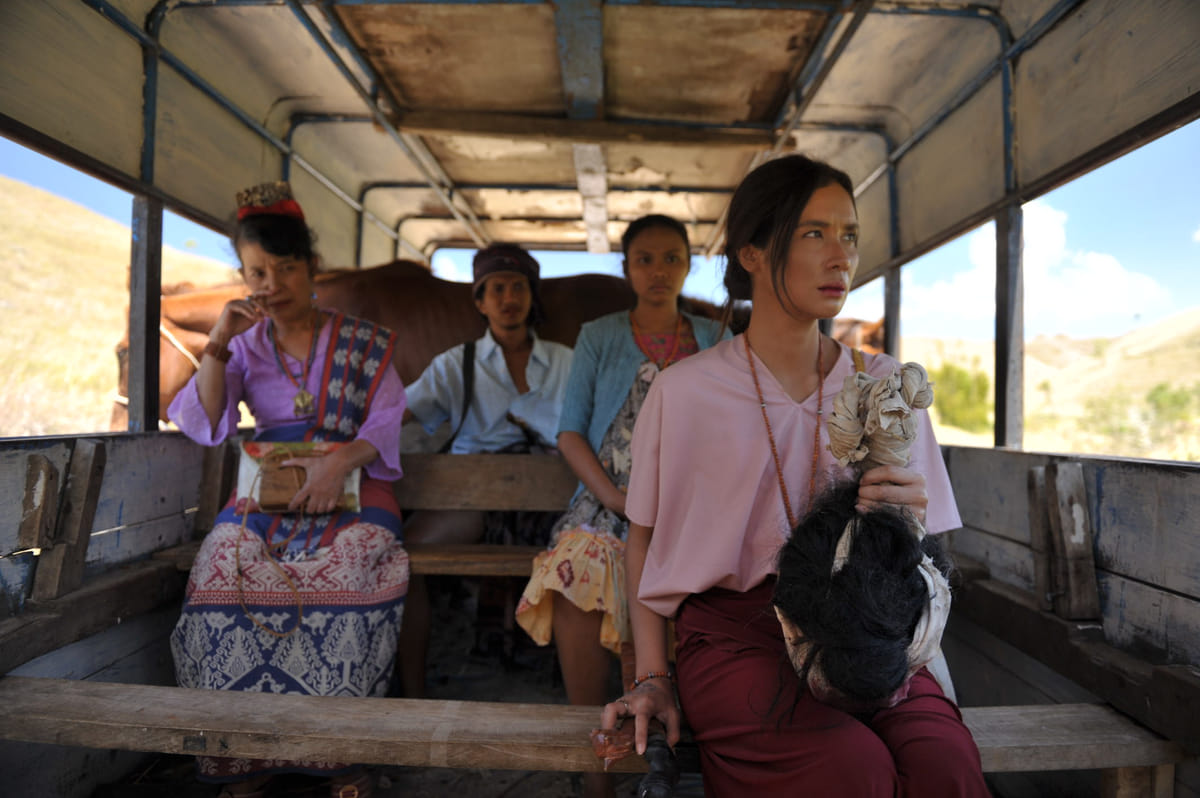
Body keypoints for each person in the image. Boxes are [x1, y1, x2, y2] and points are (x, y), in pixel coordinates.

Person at [600, 155, 989, 796]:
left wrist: (906, 520)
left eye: (850, 235)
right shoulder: (683, 392)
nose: (841, 257)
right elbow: (641, 540)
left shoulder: (885, 387)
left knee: (945, 764)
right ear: (752, 252)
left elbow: (924, 552)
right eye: (815, 233)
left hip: (866, 621)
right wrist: (653, 676)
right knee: (851, 770)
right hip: (735, 635)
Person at [168, 181, 407, 798]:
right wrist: (219, 339)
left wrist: (337, 463)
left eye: (286, 267)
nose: (271, 283)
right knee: (220, 572)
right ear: (244, 277)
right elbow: (207, 420)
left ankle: (340, 758)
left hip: (356, 488)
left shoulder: (363, 341)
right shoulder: (243, 347)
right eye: (257, 272)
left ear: (312, 267)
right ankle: (246, 759)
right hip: (266, 494)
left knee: (349, 574)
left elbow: (386, 420)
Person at [514, 215, 729, 798]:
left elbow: (732, 431)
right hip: (607, 500)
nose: (658, 271)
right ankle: (596, 759)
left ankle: (687, 746)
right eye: (644, 259)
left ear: (689, 265)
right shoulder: (600, 335)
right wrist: (616, 497)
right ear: (627, 268)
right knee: (576, 571)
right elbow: (570, 433)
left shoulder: (716, 338)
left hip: (695, 503)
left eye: (672, 258)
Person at [398, 243, 574, 698]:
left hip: (552, 503)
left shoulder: (566, 362)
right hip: (473, 498)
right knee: (401, 558)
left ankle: (571, 686)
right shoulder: (456, 364)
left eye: (518, 287)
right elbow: (396, 414)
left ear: (532, 296)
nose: (508, 297)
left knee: (593, 550)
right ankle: (411, 693)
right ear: (480, 301)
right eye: (497, 288)